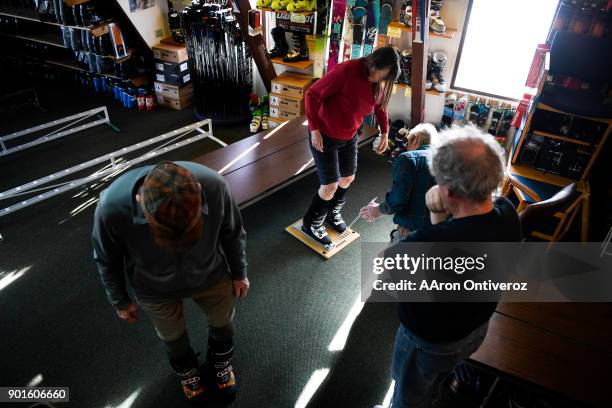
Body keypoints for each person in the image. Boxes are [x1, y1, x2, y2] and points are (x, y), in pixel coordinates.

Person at [378, 125, 521, 408]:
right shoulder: (508, 213)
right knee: (438, 377)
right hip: (475, 329)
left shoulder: (430, 242)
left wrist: (436, 219)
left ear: (449, 192)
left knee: (409, 396)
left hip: (428, 343)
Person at [92, 161, 249, 403]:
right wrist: (120, 301)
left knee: (223, 324)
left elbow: (233, 232)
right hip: (153, 286)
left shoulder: (214, 186)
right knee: (172, 338)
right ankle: (188, 372)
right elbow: (106, 259)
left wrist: (239, 272)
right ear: (139, 200)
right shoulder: (110, 207)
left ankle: (220, 362)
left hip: (210, 274)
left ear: (198, 190)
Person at [302, 46, 401, 248]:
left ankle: (331, 213)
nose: (383, 80)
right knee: (329, 185)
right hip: (325, 134)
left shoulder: (376, 84)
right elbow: (312, 95)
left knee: (347, 177)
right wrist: (314, 129)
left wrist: (385, 132)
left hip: (349, 135)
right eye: (384, 75)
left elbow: (380, 107)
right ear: (376, 64)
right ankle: (311, 223)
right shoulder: (346, 71)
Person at [359, 123, 438, 242]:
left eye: (408, 143)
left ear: (416, 139)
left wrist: (378, 210)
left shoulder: (409, 159)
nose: (406, 147)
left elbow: (397, 200)